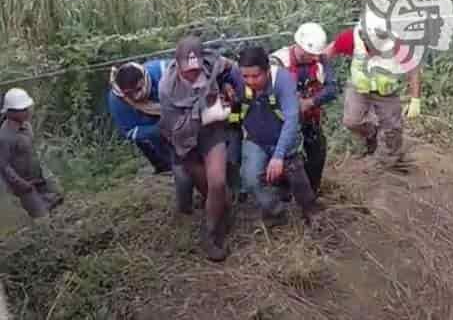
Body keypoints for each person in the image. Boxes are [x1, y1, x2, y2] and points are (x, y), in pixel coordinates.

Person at [223, 45, 320, 229]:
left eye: (255, 76)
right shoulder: (236, 75)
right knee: (250, 179)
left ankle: (311, 211)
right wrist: (226, 86)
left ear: (267, 71)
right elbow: (219, 68)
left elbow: (291, 120)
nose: (250, 81)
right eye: (245, 77)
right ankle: (275, 211)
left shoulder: (283, 80)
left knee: (297, 178)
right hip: (256, 139)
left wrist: (278, 155)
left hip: (284, 138)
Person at [159, 36, 234, 262]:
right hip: (184, 141)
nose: (192, 74)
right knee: (213, 192)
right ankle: (221, 215)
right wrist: (202, 116)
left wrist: (231, 87)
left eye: (196, 70)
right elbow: (174, 129)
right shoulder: (166, 88)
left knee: (218, 183)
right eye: (187, 71)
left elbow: (234, 69)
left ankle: (211, 237)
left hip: (212, 133)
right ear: (177, 64)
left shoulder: (214, 63)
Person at [325, 9, 422, 169]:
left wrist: (415, 100)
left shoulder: (397, 44)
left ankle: (391, 160)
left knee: (392, 128)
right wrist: (319, 74)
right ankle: (373, 135)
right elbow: (327, 53)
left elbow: (413, 69)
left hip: (386, 91)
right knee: (351, 121)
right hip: (359, 86)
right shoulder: (351, 37)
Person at [108, 59, 195, 214]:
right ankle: (185, 210)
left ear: (144, 77)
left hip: (188, 120)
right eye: (129, 93)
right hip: (159, 137)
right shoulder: (118, 100)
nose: (135, 96)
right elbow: (129, 130)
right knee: (181, 171)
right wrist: (159, 129)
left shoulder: (164, 72)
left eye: (138, 89)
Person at [270, 22, 338, 194]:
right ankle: (283, 192)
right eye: (311, 54)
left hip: (309, 117)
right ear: (299, 47)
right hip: (283, 121)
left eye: (316, 54)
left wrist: (309, 103)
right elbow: (266, 92)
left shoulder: (320, 59)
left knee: (317, 152)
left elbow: (332, 89)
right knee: (286, 156)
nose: (315, 58)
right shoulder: (278, 61)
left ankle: (312, 191)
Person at [0, 88, 64, 219]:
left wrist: (46, 173)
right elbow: (5, 167)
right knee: (42, 217)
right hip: (23, 185)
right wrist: (22, 184)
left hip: (38, 177)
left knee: (58, 198)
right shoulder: (5, 136)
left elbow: (34, 152)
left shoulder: (27, 126)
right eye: (23, 109)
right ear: (11, 112)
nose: (28, 111)